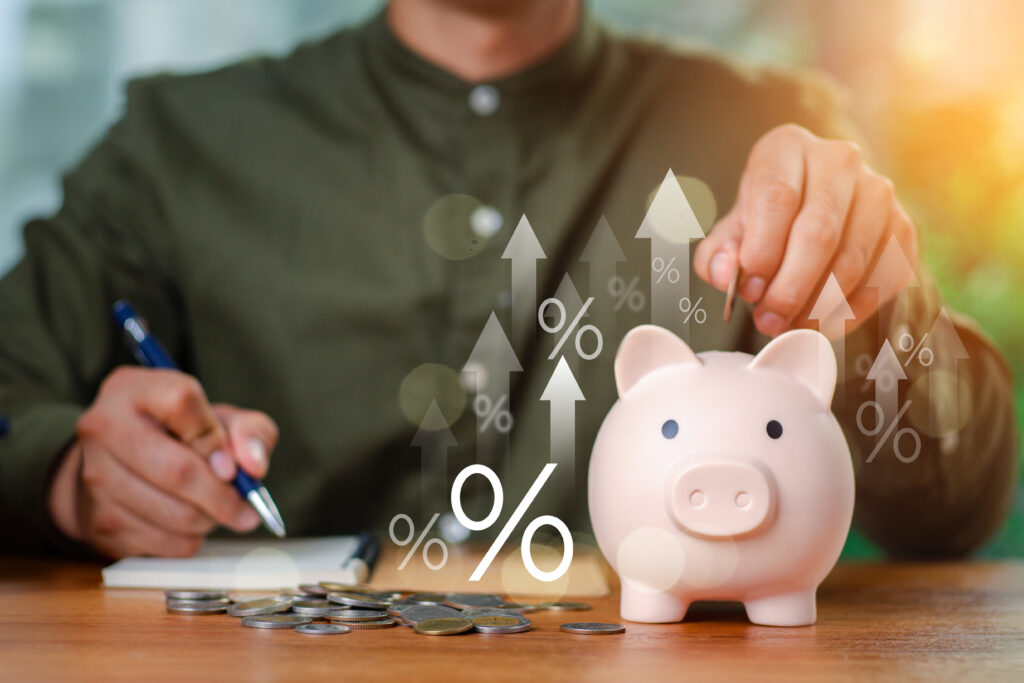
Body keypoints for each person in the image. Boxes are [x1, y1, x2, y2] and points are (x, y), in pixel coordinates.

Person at [0, 0, 1016, 560]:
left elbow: (947, 511)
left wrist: (886, 314)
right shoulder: (178, 142)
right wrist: (66, 476)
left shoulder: (768, 128)